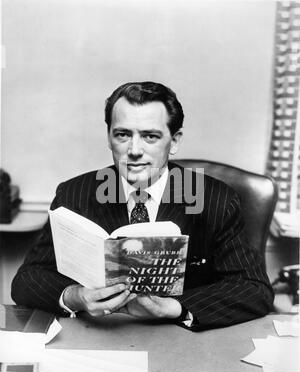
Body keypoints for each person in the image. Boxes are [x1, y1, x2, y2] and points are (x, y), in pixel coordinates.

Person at [11, 81, 274, 331]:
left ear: (175, 141)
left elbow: (254, 289)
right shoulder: (74, 194)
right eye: (123, 134)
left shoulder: (215, 199)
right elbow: (27, 281)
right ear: (109, 137)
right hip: (101, 336)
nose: (134, 150)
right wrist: (76, 297)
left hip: (181, 341)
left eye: (150, 136)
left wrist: (174, 308)